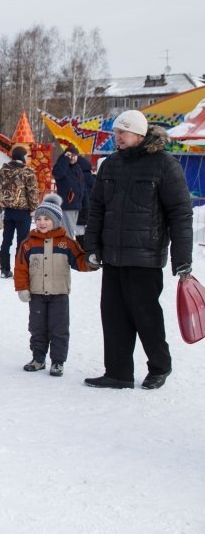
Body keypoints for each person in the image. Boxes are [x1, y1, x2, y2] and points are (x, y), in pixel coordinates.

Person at [82, 110, 193, 390]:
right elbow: (96, 209)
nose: (116, 137)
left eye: (122, 132)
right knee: (113, 314)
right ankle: (118, 373)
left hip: (145, 256)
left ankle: (160, 366)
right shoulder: (110, 165)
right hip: (114, 256)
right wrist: (92, 247)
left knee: (145, 315)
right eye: (116, 131)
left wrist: (182, 259)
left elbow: (180, 213)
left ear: (139, 135)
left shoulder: (165, 165)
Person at [15, 194, 92, 377]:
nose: (42, 223)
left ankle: (58, 361)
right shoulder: (28, 244)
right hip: (37, 295)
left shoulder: (66, 243)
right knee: (37, 328)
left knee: (59, 329)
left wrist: (92, 261)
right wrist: (22, 288)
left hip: (59, 294)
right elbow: (20, 268)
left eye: (47, 219)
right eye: (39, 219)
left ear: (56, 221)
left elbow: (80, 261)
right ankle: (38, 358)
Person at [0, 144, 40, 278]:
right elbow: (32, 192)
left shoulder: (4, 170)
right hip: (23, 211)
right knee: (22, 241)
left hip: (8, 211)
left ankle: (4, 269)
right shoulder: (27, 171)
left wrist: (2, 204)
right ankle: (21, 270)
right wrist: (33, 208)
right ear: (22, 157)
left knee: (6, 240)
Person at [51, 145, 88, 241]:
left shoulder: (78, 169)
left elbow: (82, 188)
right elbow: (57, 173)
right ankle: (66, 251)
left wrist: (85, 205)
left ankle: (67, 250)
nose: (73, 157)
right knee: (68, 232)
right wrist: (64, 158)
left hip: (76, 205)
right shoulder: (62, 167)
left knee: (71, 231)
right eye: (70, 155)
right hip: (67, 205)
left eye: (75, 155)